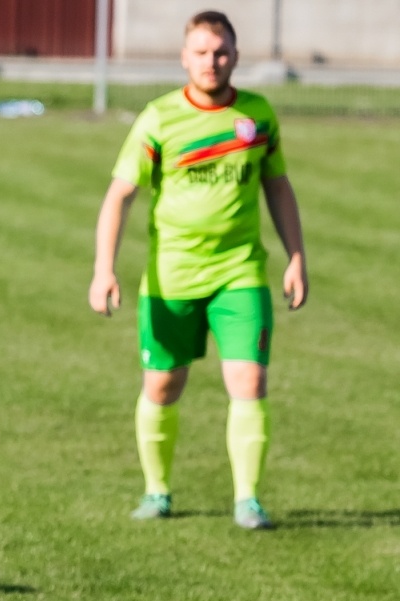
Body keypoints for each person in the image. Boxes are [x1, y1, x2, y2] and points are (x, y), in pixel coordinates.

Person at [89, 9, 307, 530]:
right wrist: (104, 269)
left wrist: (296, 256)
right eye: (203, 52)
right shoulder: (159, 118)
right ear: (185, 57)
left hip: (240, 273)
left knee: (249, 380)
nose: (213, 61)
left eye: (222, 51)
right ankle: (157, 491)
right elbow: (120, 194)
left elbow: (277, 185)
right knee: (163, 386)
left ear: (236, 54)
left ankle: (248, 500)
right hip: (172, 277)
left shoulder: (258, 116)